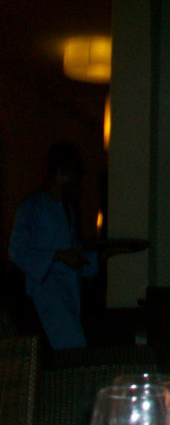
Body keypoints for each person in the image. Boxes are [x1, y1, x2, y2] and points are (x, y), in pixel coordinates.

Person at [8, 141, 99, 350]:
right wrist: (59, 256)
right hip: (46, 295)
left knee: (73, 347)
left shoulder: (69, 209)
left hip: (70, 294)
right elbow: (17, 250)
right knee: (69, 349)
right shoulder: (32, 207)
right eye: (75, 173)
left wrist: (94, 258)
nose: (78, 180)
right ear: (60, 172)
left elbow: (75, 254)